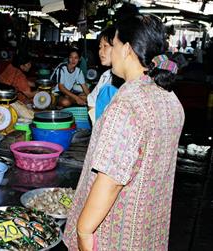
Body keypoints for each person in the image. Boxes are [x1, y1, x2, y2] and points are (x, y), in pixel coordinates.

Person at [63, 14, 184, 251]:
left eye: (114, 44)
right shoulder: (171, 99)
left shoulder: (127, 104)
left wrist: (84, 230)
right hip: (150, 232)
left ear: (127, 49)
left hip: (113, 237)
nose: (111, 51)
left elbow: (110, 181)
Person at [87, 26, 124, 124]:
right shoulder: (106, 76)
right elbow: (91, 100)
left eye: (105, 46)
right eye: (100, 47)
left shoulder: (129, 79)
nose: (100, 51)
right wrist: (97, 125)